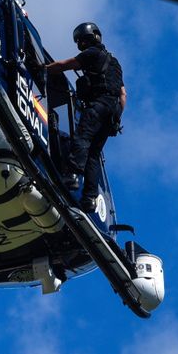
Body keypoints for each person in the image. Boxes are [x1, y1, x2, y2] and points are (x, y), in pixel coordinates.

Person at [46, 22, 125, 217]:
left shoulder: (92, 54)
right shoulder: (115, 63)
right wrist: (116, 119)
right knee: (94, 154)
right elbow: (123, 95)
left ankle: (72, 175)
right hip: (112, 112)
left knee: (82, 138)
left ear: (84, 39)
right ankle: (89, 198)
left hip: (98, 106)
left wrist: (43, 68)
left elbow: (65, 65)